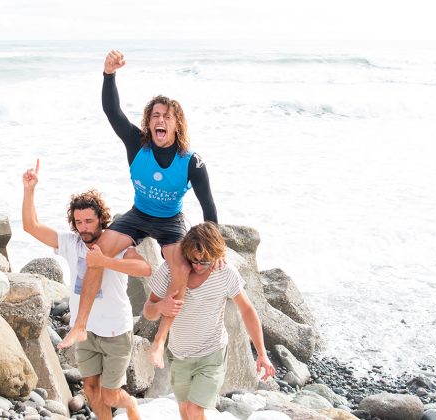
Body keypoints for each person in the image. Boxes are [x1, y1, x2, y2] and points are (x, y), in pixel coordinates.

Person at [59, 50, 219, 370]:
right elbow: (112, 110)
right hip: (138, 213)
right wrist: (108, 74)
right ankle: (80, 324)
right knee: (97, 253)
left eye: (167, 117)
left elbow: (208, 206)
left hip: (170, 219)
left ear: (177, 124)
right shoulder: (137, 144)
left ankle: (160, 342)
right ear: (149, 122)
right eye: (155, 116)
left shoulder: (191, 162)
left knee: (181, 268)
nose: (160, 121)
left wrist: (216, 249)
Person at [22, 159, 149, 420]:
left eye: (89, 221)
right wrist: (29, 190)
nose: (84, 228)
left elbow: (143, 268)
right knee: (91, 390)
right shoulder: (71, 243)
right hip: (85, 331)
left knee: (111, 395)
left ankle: (133, 407)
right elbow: (30, 227)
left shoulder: (117, 243)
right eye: (78, 222)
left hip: (115, 330)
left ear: (102, 219)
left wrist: (105, 261)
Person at [143, 222, 275, 420]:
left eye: (204, 261)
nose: (197, 266)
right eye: (193, 260)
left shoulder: (225, 273)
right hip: (179, 354)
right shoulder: (170, 270)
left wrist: (262, 354)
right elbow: (148, 312)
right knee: (185, 411)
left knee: (195, 411)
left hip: (211, 354)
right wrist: (160, 307)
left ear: (217, 254)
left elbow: (247, 311)